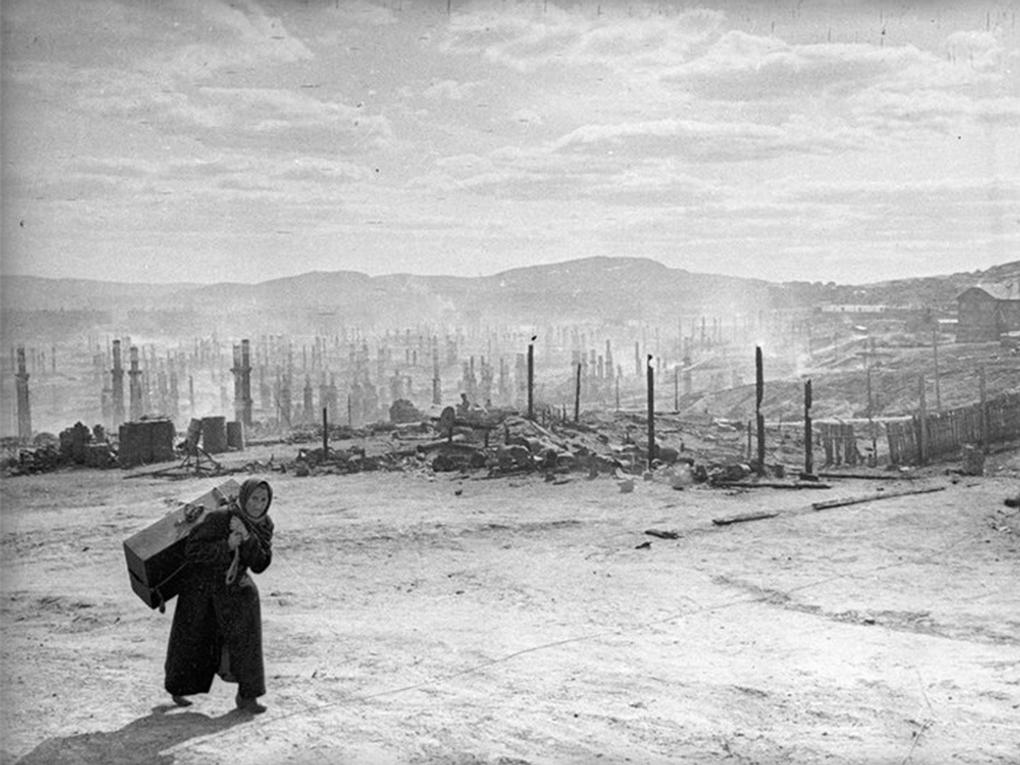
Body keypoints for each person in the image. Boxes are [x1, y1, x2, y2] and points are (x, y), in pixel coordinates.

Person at [164, 478, 275, 714]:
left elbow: (261, 563)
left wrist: (246, 538)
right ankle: (179, 688)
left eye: (263, 499)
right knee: (193, 640)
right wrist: (226, 545)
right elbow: (192, 550)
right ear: (245, 497)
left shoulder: (265, 524)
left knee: (248, 638)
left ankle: (248, 695)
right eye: (254, 498)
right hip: (202, 586)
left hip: (236, 585)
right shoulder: (221, 517)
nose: (258, 505)